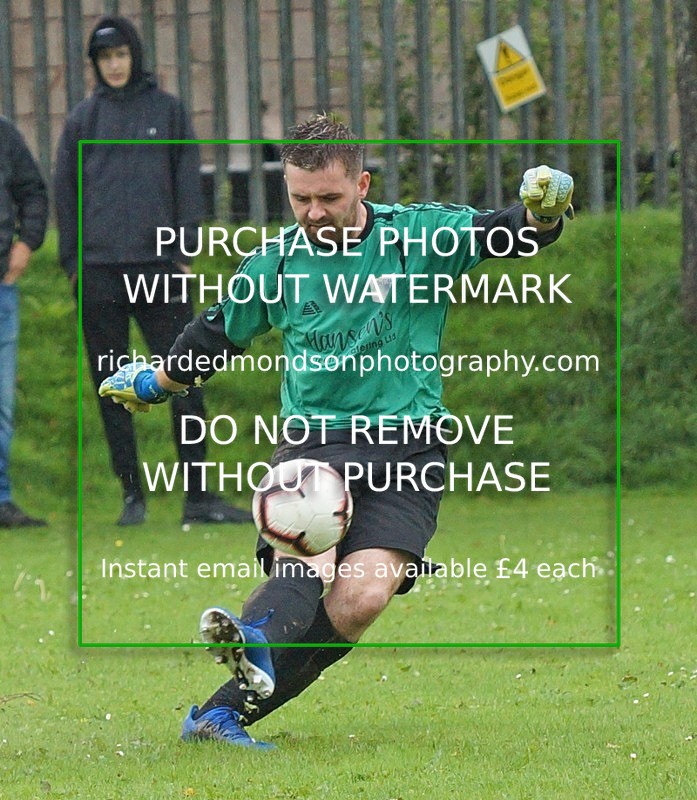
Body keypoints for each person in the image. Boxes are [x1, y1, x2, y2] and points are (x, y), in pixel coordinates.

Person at [100, 115, 574, 747]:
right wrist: (157, 382)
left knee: (362, 598)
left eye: (329, 197)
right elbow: (215, 337)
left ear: (363, 185)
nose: (314, 213)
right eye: (300, 199)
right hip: (315, 444)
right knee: (310, 556)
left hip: (410, 447)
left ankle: (223, 710)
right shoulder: (276, 263)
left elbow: (505, 233)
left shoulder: (419, 238)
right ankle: (253, 644)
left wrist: (541, 216)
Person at [54, 16, 251, 527]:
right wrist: (73, 263)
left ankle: (199, 498)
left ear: (134, 56)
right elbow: (65, 193)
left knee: (185, 376)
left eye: (121, 55)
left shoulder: (169, 112)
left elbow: (187, 181)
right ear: (95, 64)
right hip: (97, 272)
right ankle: (131, 496)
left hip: (159, 267)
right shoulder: (82, 121)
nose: (115, 65)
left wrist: (184, 249)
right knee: (112, 383)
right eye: (105, 58)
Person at [0, 117, 48, 529]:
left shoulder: (5, 135)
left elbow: (33, 191)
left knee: (1, 405)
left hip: (1, 288)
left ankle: (0, 499)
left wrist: (27, 242)